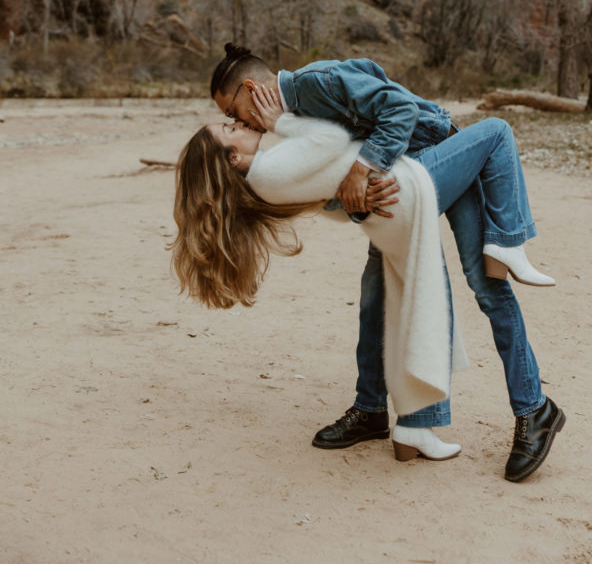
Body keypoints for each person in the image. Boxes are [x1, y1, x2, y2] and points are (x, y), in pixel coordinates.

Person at [210, 44, 566, 482]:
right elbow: (334, 171)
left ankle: (535, 409)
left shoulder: (311, 84)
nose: (236, 122)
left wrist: (365, 170)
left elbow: (396, 109)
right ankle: (373, 409)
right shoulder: (284, 124)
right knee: (375, 295)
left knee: (485, 284)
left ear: (250, 88)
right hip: (404, 181)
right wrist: (360, 193)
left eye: (232, 110)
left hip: (441, 156)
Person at [172, 85, 469, 463]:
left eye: (232, 114)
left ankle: (378, 409)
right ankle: (407, 418)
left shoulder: (268, 166)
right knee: (415, 295)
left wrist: (354, 195)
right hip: (397, 191)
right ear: (232, 158)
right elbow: (330, 146)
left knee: (382, 299)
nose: (237, 121)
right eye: (230, 126)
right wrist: (284, 124)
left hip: (387, 191)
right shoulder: (269, 168)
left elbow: (324, 179)